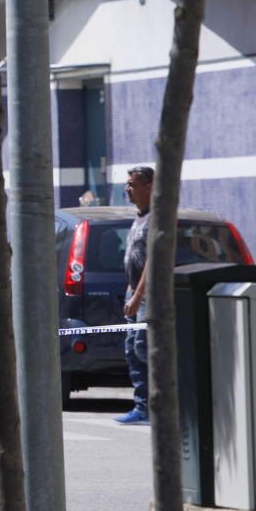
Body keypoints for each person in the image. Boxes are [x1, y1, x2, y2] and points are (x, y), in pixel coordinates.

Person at [116, 165, 154, 426]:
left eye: (132, 184)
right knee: (132, 350)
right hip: (135, 293)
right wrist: (130, 291)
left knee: (144, 349)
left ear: (149, 187)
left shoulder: (157, 219)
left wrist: (138, 295)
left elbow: (153, 262)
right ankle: (142, 407)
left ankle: (155, 407)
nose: (127, 189)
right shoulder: (139, 217)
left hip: (149, 298)